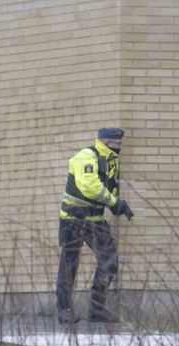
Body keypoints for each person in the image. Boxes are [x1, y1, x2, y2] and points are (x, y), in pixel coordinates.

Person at [55, 127, 134, 324]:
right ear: (107, 142)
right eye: (118, 144)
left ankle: (97, 310)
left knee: (109, 258)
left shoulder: (111, 162)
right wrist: (114, 203)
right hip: (73, 218)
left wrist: (119, 205)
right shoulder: (87, 156)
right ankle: (63, 310)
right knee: (69, 263)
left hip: (95, 219)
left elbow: (109, 188)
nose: (121, 147)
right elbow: (90, 187)